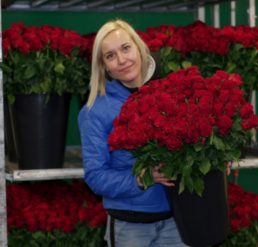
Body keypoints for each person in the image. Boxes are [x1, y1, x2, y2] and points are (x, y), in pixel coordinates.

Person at [78, 19, 188, 247]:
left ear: (139, 47)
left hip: (177, 220)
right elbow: (95, 176)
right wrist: (140, 178)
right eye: (110, 56)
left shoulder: (170, 93)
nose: (122, 60)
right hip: (130, 228)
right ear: (103, 66)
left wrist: (213, 160)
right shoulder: (95, 111)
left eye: (126, 48)